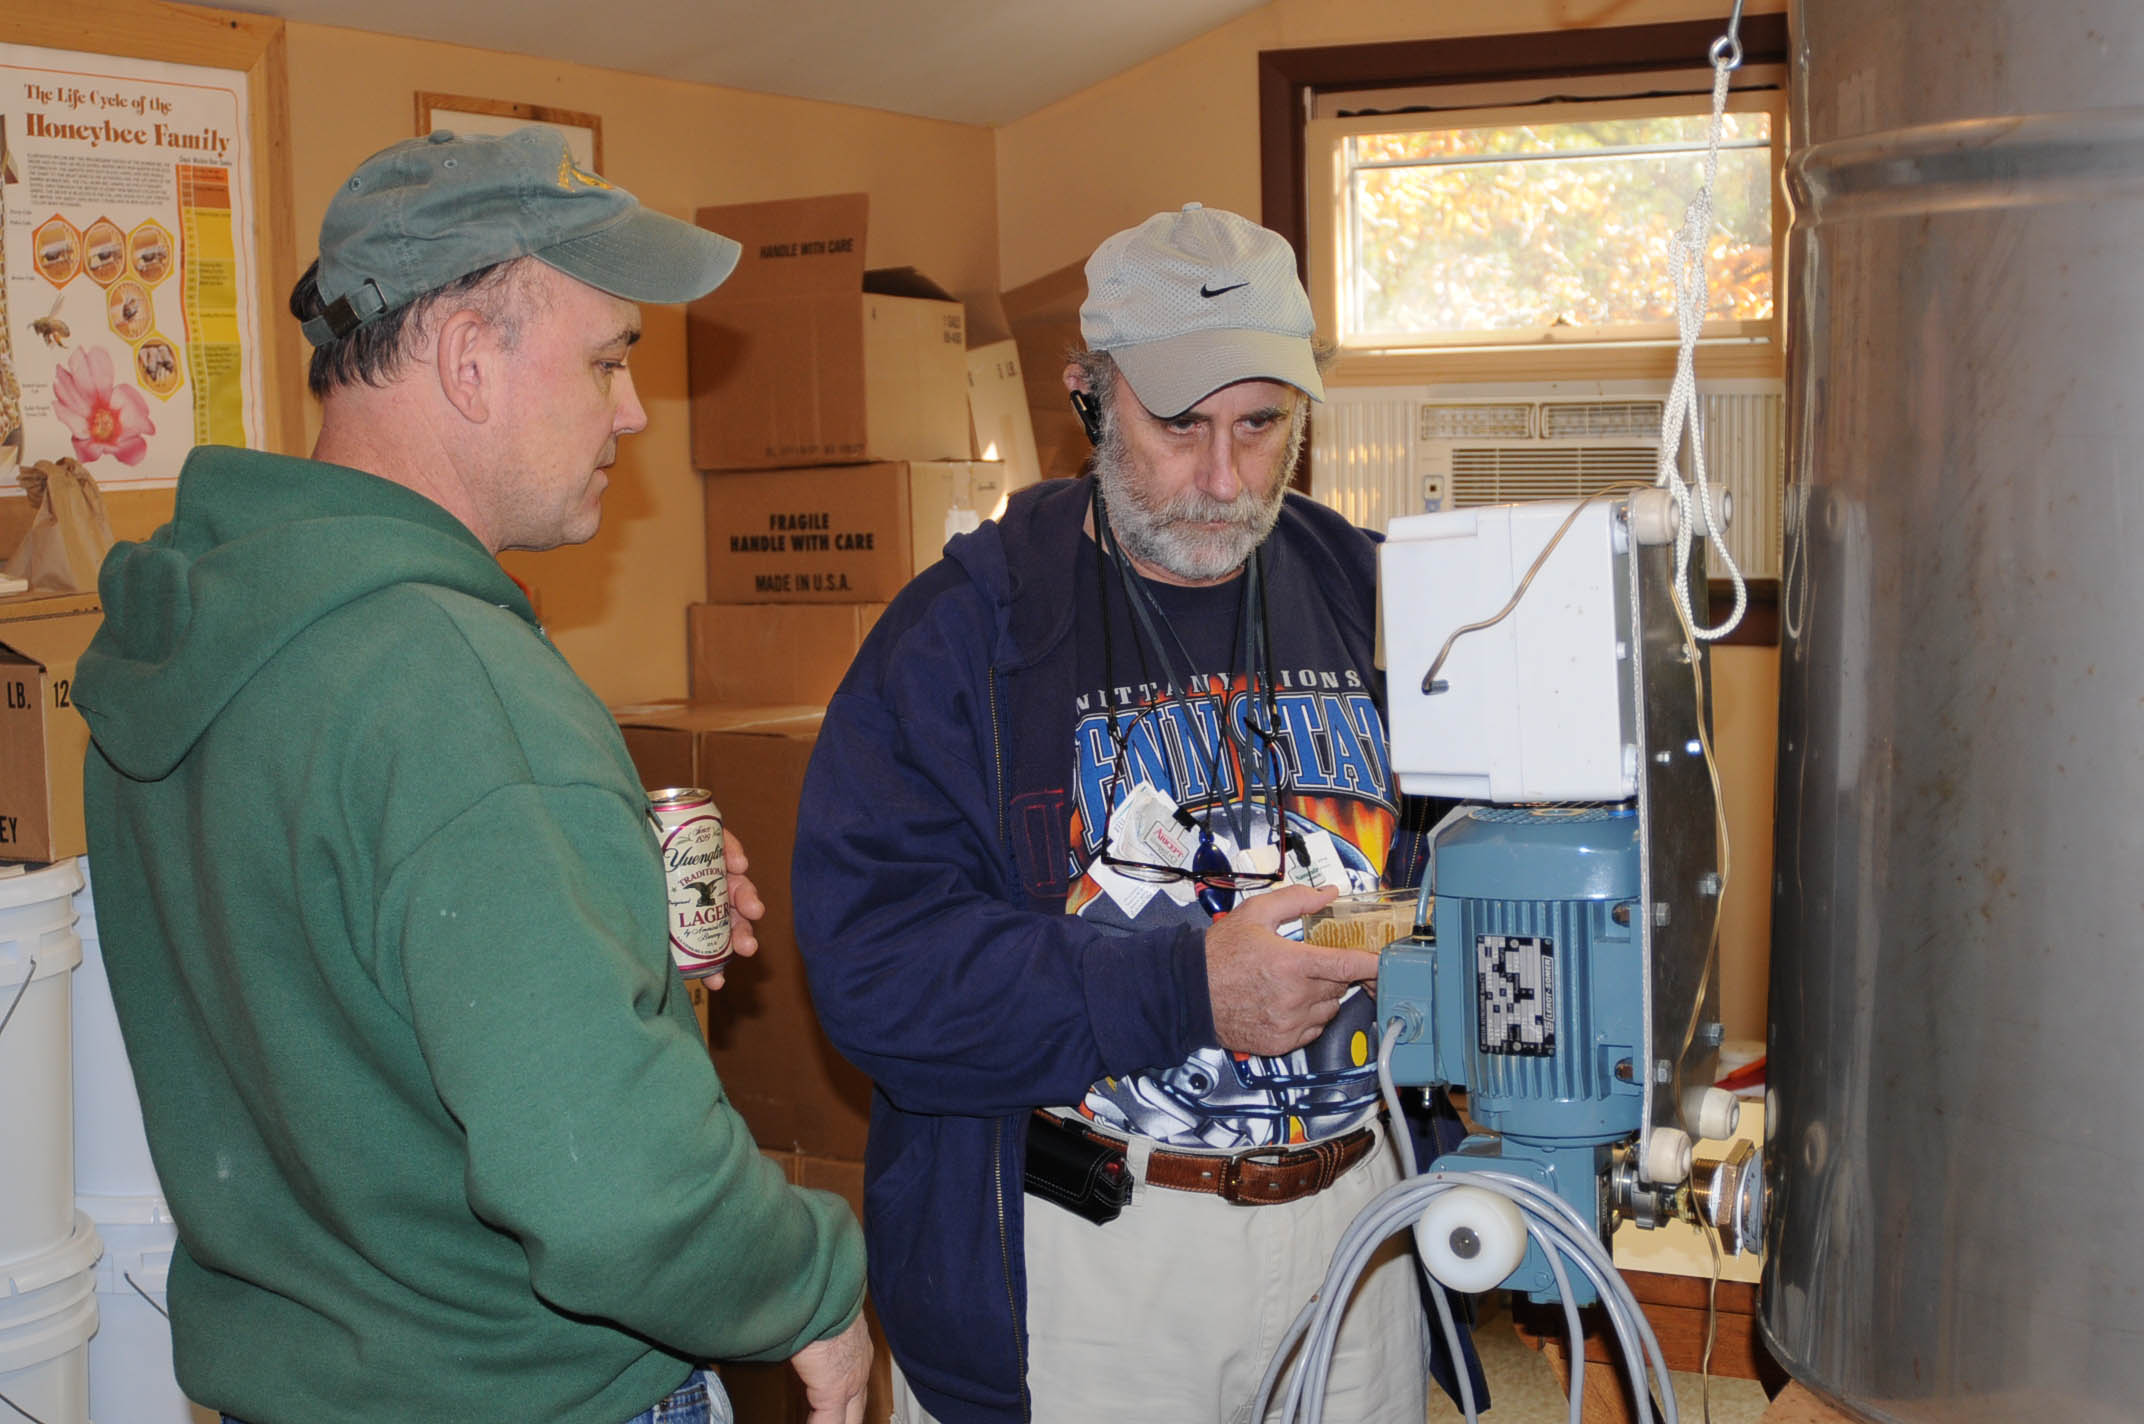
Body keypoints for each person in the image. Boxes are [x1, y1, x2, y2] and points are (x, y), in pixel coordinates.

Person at [75, 127, 869, 1424]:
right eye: (609, 359)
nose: (631, 410)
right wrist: (814, 1285)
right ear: (464, 358)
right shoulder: (452, 686)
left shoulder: (200, 643)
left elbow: (342, 1001)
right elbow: (607, 1187)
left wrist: (597, 909)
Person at [793, 203, 1454, 1424]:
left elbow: (1472, 882)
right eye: (1178, 425)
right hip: (1092, 1263)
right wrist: (1186, 987)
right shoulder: (963, 635)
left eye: (1261, 425)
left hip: (1353, 1236)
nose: (1221, 477)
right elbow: (877, 971)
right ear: (1087, 396)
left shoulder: (1382, 600)